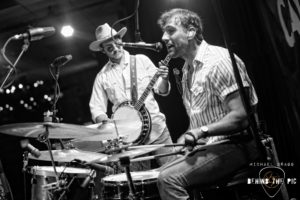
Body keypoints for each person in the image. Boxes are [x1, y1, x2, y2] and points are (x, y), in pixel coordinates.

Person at [156, 8, 261, 199]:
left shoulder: (219, 61)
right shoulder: (187, 69)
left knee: (168, 179)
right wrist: (187, 135)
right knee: (161, 171)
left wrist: (200, 132)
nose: (164, 37)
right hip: (210, 146)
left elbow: (241, 116)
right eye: (164, 32)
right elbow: (202, 117)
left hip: (237, 144)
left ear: (191, 31)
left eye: (171, 31)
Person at [89, 23, 176, 169]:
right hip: (130, 141)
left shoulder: (141, 60)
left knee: (174, 172)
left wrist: (165, 78)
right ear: (103, 50)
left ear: (120, 40)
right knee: (139, 185)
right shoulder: (102, 77)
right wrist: (110, 124)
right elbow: (97, 109)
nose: (115, 48)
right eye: (108, 47)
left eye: (116, 43)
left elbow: (162, 90)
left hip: (157, 130)